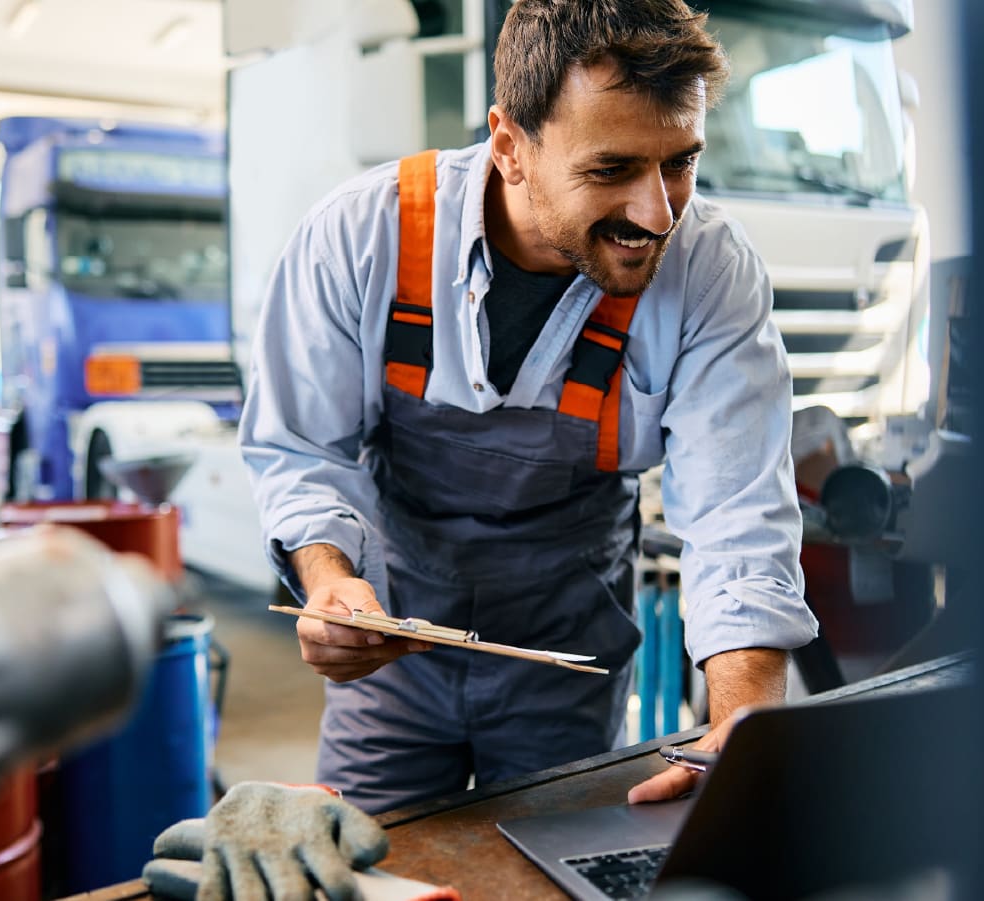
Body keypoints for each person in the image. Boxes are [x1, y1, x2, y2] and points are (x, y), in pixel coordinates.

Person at [239, 0, 818, 814]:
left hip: (567, 651)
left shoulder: (708, 272)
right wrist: (330, 581)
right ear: (510, 147)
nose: (657, 214)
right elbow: (301, 447)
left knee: (555, 864)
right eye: (611, 169)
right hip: (393, 649)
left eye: (680, 163)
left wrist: (746, 722)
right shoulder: (361, 236)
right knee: (372, 861)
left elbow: (737, 513)